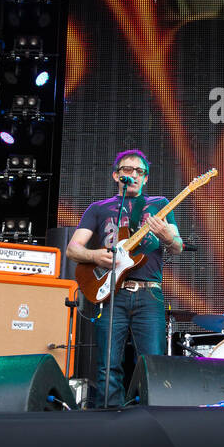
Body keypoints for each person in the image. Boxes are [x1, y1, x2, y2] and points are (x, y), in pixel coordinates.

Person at [66, 149, 183, 408]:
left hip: (149, 292)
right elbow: (73, 249)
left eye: (140, 172)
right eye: (128, 170)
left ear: (146, 178)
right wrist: (96, 256)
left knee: (153, 363)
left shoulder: (160, 204)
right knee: (107, 364)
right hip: (112, 293)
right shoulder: (98, 209)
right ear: (116, 176)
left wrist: (165, 235)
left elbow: (177, 246)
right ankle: (109, 421)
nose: (134, 175)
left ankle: (153, 417)